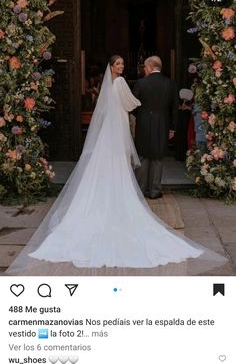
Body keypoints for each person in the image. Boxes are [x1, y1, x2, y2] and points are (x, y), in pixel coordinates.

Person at [7, 56, 226, 275]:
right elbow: (131, 103)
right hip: (119, 128)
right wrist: (146, 105)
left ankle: (109, 194)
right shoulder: (121, 83)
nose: (121, 67)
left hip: (109, 132)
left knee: (110, 163)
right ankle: (128, 193)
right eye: (118, 64)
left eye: (122, 63)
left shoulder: (110, 84)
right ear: (112, 66)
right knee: (128, 161)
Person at [133, 56, 179, 199]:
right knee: (158, 157)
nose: (144, 70)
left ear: (151, 66)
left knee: (143, 156)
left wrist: (141, 115)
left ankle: (141, 190)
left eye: (145, 67)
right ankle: (155, 191)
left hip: (143, 124)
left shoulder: (141, 83)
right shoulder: (170, 84)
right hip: (163, 124)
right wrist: (172, 128)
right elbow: (175, 109)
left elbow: (133, 105)